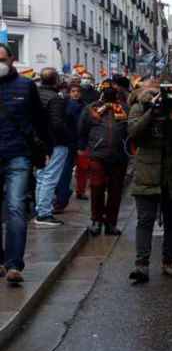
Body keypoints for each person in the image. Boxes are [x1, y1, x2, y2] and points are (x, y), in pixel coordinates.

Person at [126, 73, 172, 284]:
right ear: (157, 88)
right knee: (145, 220)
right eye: (165, 88)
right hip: (148, 172)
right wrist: (152, 111)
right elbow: (133, 133)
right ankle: (141, 265)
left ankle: (169, 261)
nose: (169, 93)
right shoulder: (142, 105)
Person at [0, 44, 50, 284]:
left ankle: (13, 264)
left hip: (18, 155)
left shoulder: (26, 86)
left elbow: (40, 119)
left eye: (2, 58)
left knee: (16, 208)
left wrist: (46, 148)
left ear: (12, 59)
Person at [78, 79, 129, 236]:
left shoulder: (124, 109)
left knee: (115, 191)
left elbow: (130, 130)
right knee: (97, 188)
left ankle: (111, 223)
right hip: (97, 155)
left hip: (119, 156)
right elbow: (82, 129)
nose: (109, 93)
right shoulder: (91, 109)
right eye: (106, 89)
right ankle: (96, 220)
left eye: (112, 89)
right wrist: (83, 148)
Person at [34, 68, 71, 228]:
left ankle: (40, 210)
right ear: (56, 80)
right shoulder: (55, 98)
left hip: (39, 142)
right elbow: (57, 123)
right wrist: (67, 137)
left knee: (42, 176)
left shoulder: (35, 95)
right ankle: (44, 213)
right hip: (55, 142)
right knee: (49, 178)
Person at [55, 81, 86, 211]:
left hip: (74, 142)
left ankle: (63, 197)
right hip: (70, 142)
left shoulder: (82, 105)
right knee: (65, 171)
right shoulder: (69, 105)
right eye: (73, 91)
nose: (76, 94)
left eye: (78, 92)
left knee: (68, 171)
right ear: (69, 93)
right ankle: (62, 197)